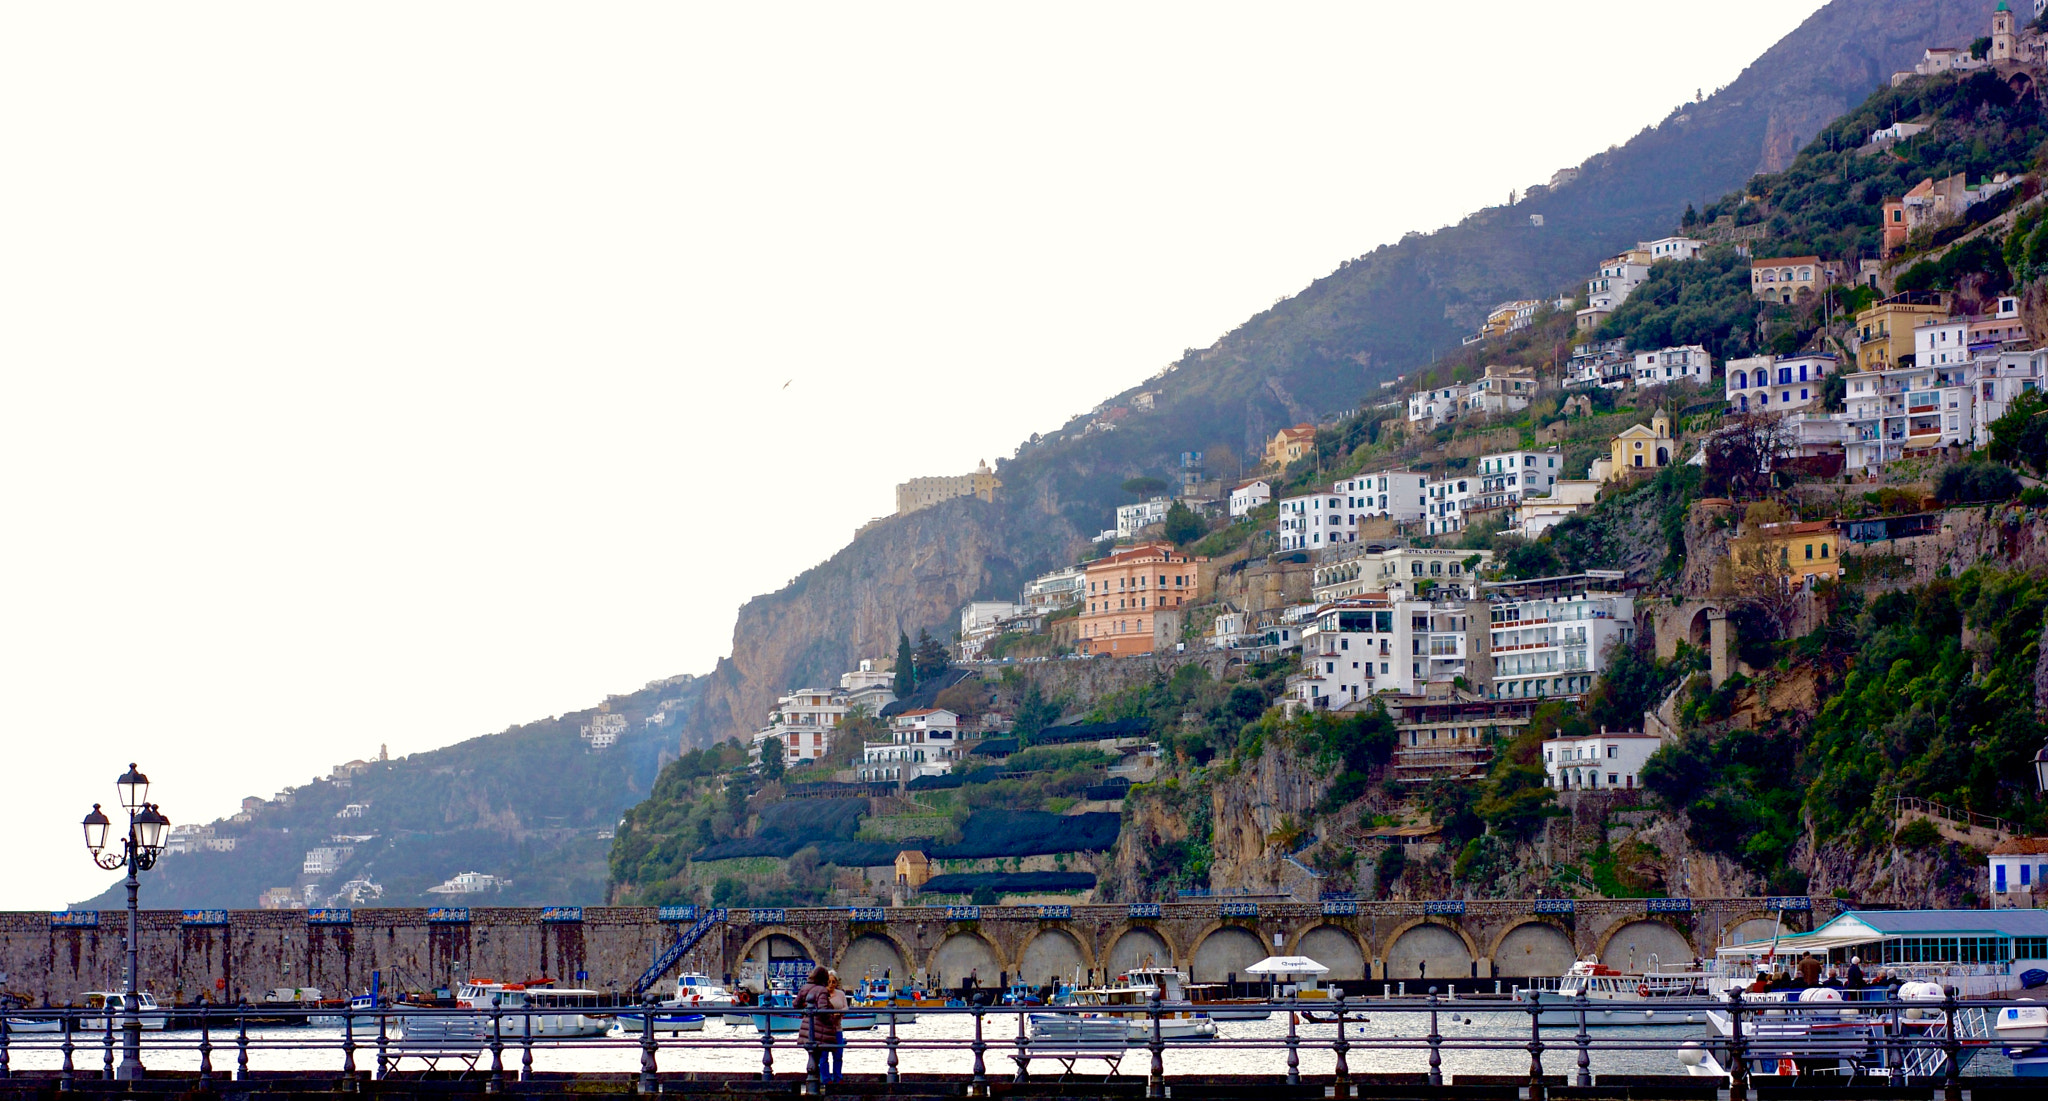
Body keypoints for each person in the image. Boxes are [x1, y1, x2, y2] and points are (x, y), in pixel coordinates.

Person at [797, 967, 845, 1084]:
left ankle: (829, 1079)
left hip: (817, 1028)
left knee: (830, 1055)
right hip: (823, 1028)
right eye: (829, 981)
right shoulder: (821, 991)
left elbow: (796, 1004)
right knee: (823, 1056)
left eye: (834, 981)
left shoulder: (806, 988)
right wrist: (831, 1016)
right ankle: (825, 1080)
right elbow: (823, 1010)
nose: (831, 984)